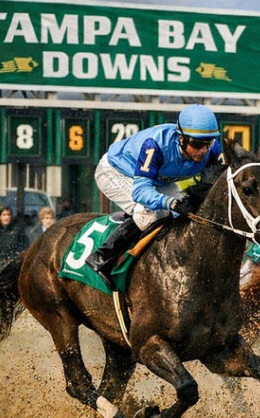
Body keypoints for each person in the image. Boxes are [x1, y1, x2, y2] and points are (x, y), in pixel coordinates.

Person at [85, 104, 222, 289]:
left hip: (159, 179)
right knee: (150, 215)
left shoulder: (212, 150)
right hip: (116, 171)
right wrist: (171, 203)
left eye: (209, 143)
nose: (204, 150)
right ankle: (103, 257)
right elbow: (141, 191)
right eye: (197, 144)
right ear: (181, 139)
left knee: (186, 216)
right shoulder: (156, 144)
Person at [0, 205, 28, 270]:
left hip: (12, 260)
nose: (6, 217)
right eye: (4, 215)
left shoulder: (17, 229)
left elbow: (23, 243)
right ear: (0, 217)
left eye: (9, 215)